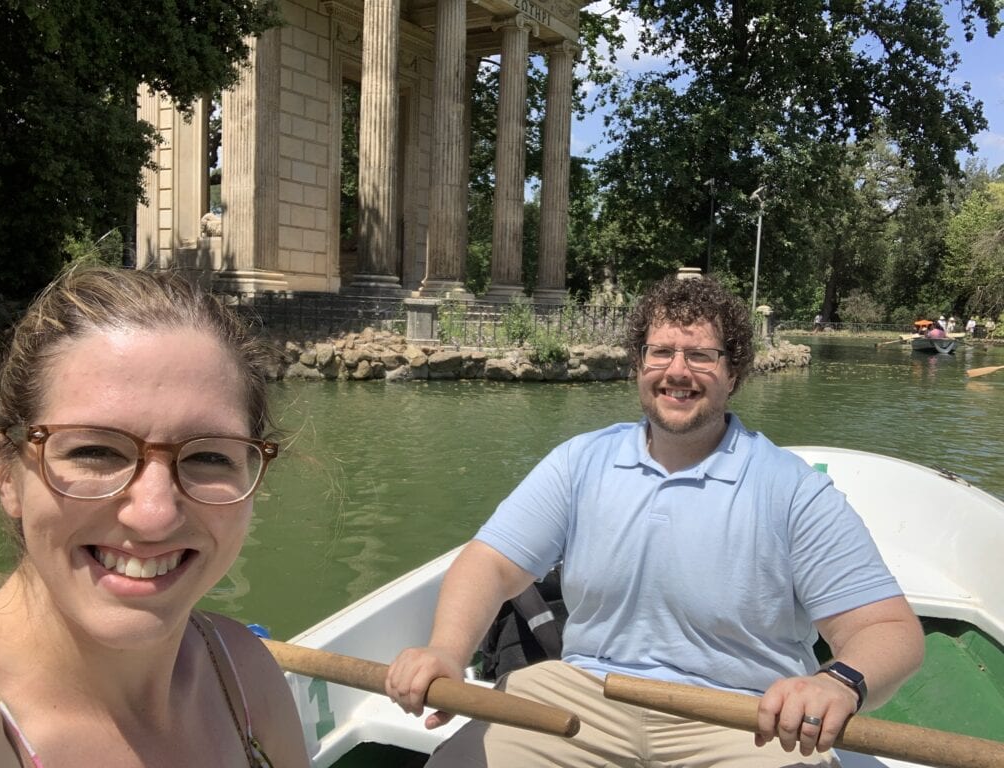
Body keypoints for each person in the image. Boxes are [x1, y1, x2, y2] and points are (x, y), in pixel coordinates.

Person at [386, 275, 924, 767]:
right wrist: (445, 651)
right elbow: (491, 564)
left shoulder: (793, 490)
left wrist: (838, 682)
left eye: (701, 355)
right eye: (661, 352)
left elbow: (888, 629)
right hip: (585, 693)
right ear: (637, 364)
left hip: (746, 717)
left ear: (734, 373)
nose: (677, 371)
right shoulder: (580, 461)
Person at [0, 267, 310, 768]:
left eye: (208, 457)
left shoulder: (242, 669)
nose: (154, 516)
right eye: (94, 450)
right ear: (7, 473)